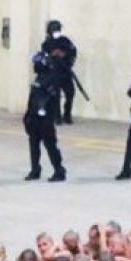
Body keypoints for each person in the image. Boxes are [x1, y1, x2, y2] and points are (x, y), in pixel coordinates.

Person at [24, 52, 67, 183]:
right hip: (34, 118)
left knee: (50, 145)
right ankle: (35, 169)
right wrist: (28, 115)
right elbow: (32, 99)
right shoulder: (38, 79)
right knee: (33, 145)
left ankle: (59, 170)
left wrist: (44, 110)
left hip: (45, 118)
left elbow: (51, 98)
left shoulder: (51, 79)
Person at [41, 19, 79, 124]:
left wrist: (64, 54)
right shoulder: (46, 43)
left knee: (70, 93)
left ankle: (67, 115)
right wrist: (51, 54)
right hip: (53, 73)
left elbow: (73, 51)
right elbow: (43, 57)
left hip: (65, 71)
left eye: (57, 28)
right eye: (54, 29)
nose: (56, 31)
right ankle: (56, 117)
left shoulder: (65, 40)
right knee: (55, 95)